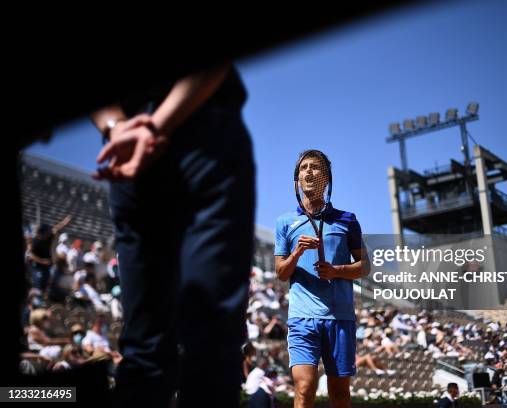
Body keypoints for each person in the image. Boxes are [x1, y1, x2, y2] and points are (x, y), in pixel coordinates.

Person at [90, 65, 255, 408]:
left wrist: (120, 127)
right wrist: (129, 128)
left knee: (173, 342)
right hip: (171, 139)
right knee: (182, 341)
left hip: (150, 138)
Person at [274, 149, 370, 408]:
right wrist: (296, 253)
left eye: (315, 167)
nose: (308, 171)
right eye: (303, 168)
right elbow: (281, 272)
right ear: (297, 180)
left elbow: (365, 266)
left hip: (340, 317)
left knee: (339, 394)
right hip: (302, 317)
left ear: (326, 178)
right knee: (304, 387)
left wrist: (337, 270)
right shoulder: (285, 222)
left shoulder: (347, 220)